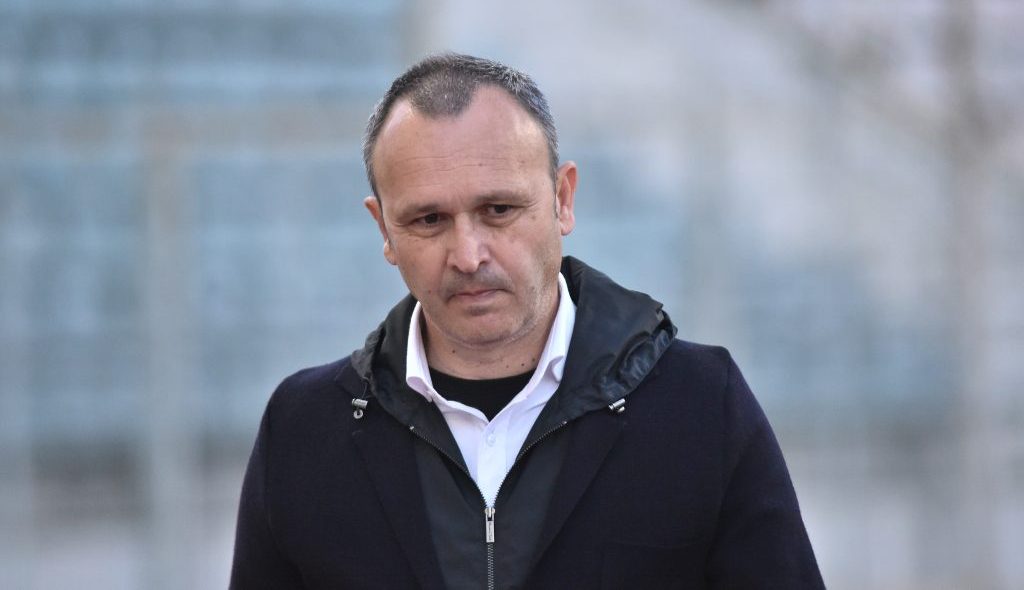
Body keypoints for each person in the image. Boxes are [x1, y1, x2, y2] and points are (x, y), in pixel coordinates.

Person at [229, 53, 825, 590]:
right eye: (429, 220)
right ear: (384, 229)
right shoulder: (304, 430)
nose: (468, 255)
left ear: (563, 200)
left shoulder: (699, 403)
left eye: (499, 209)